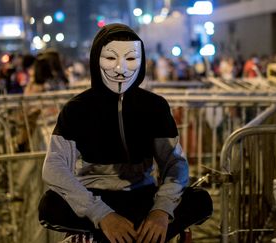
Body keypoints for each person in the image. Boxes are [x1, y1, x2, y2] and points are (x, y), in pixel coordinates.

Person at [38, 23, 212, 243]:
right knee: (49, 205)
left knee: (201, 200)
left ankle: (125, 234)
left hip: (144, 196)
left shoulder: (154, 106)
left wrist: (161, 211)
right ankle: (134, 234)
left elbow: (175, 164)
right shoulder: (77, 109)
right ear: (95, 59)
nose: (121, 68)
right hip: (95, 195)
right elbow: (54, 168)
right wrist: (102, 215)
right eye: (110, 58)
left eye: (130, 59)